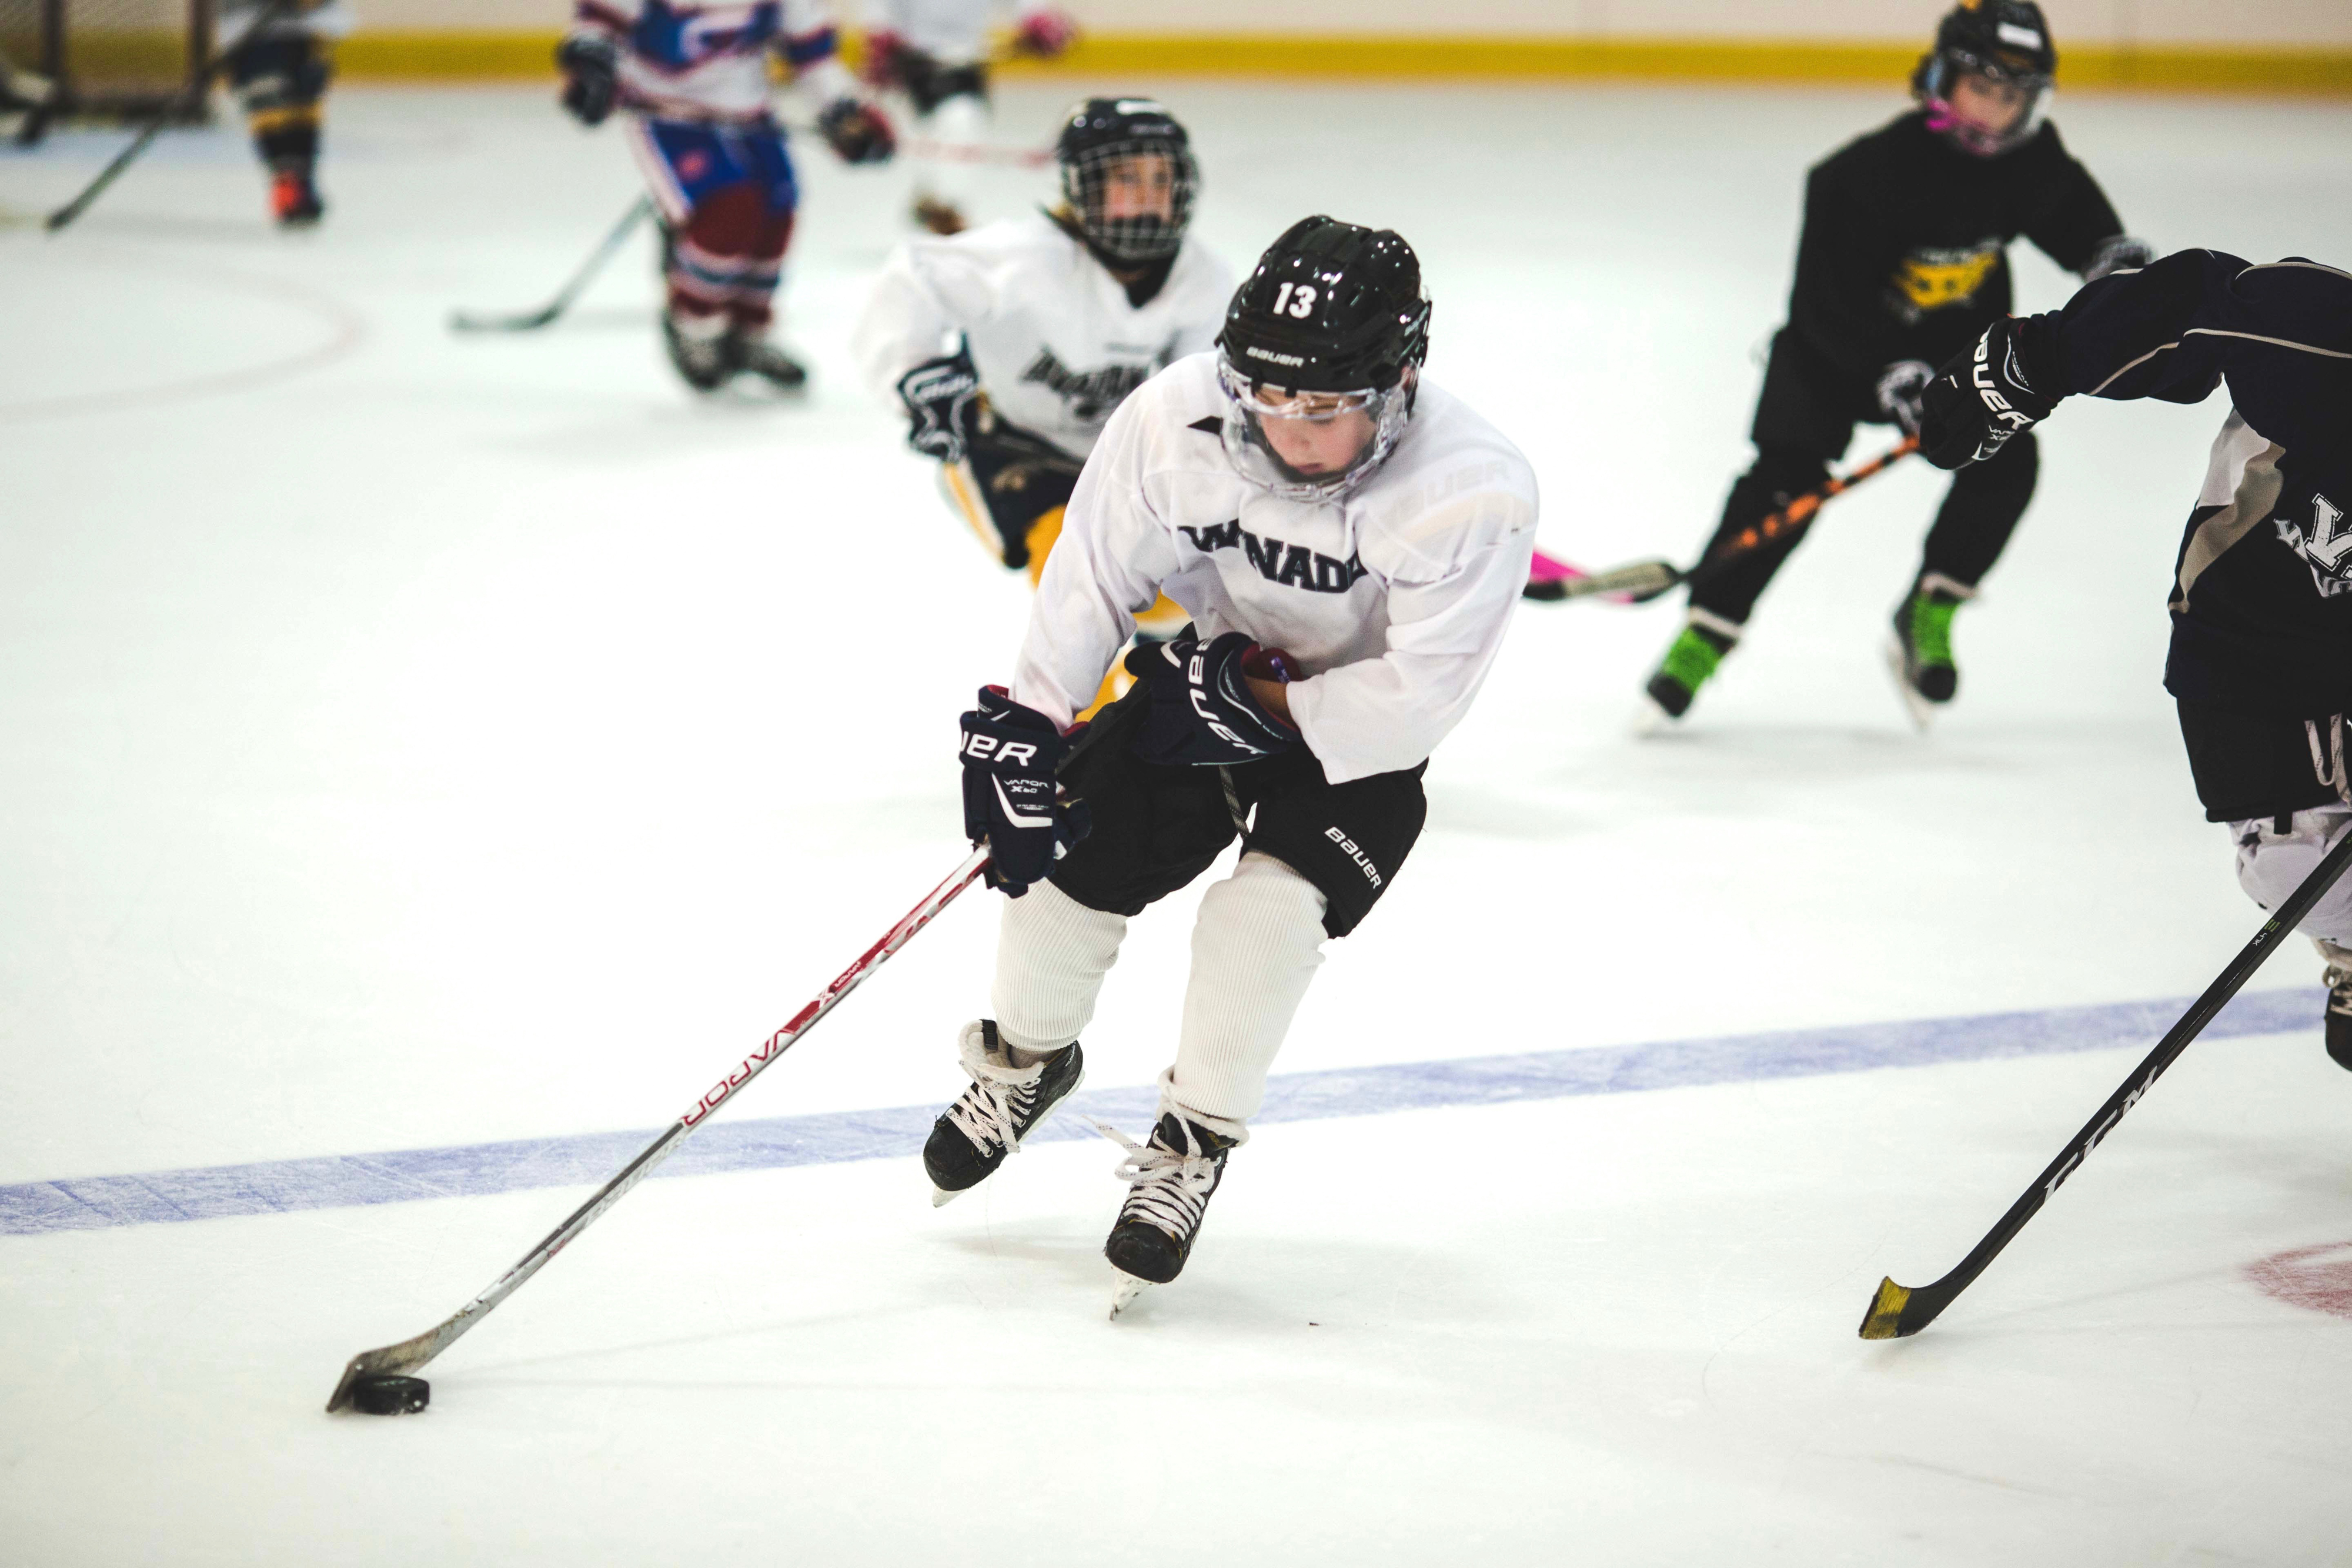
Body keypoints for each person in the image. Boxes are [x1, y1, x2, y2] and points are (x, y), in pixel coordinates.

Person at [929, 217, 1539, 1308]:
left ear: (1401, 383)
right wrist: (1031, 719)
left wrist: (1257, 701)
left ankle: (1193, 1140)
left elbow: (1414, 706)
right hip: (1199, 684)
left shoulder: (1476, 486)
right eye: (1265, 398)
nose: (1288, 431)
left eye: (1323, 408)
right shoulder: (1174, 416)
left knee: (1261, 918)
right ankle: (1025, 1058)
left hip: (1342, 742)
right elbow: (1093, 576)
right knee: (1063, 868)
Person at [1641, 0, 2151, 727]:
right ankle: (1704, 632)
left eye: (2011, 98)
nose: (1993, 112)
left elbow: (2084, 230)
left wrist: (2119, 269)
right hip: (1832, 355)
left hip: (1950, 355)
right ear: (1942, 80)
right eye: (1982, 88)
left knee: (2008, 463)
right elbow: (1823, 308)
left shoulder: (2031, 163)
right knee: (1781, 487)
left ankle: (1929, 606)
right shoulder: (1858, 176)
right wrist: (1889, 372)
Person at [1915, 248, 2352, 1061]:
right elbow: (2197, 301)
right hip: (2253, 635)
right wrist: (2026, 366)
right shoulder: (2324, 334)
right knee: (2293, 864)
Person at [851, 97, 1232, 714]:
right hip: (1007, 444)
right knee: (1069, 565)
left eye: (1160, 179)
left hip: (1116, 465)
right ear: (1082, 188)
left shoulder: (1203, 282)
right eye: (1126, 178)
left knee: (1176, 593)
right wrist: (915, 377)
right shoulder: (1024, 259)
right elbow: (912, 277)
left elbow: (1212, 397)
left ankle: (1162, 710)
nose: (1147, 196)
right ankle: (1082, 736)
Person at [557, 0, 897, 392]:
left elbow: (812, 54)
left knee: (778, 207)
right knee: (731, 210)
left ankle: (749, 332)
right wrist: (592, 69)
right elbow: (600, 25)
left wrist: (844, 111)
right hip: (668, 115)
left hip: (749, 113)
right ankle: (693, 325)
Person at [858, 0, 1077, 235]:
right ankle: (942, 205)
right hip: (915, 59)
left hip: (967, 60)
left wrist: (1038, 16)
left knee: (955, 122)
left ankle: (936, 199)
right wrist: (881, 31)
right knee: (958, 120)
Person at [222, 0, 355, 226]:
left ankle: (299, 179)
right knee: (268, 98)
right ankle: (287, 181)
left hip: (306, 26)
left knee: (303, 100)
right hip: (250, 29)